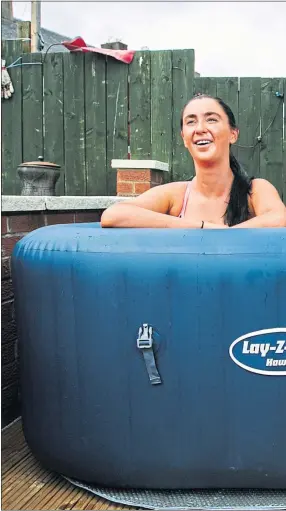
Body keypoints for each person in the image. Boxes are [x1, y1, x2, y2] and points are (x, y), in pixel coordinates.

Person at [101, 94, 286, 229]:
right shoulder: (176, 196)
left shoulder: (255, 190)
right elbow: (113, 215)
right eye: (191, 122)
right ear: (184, 138)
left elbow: (280, 218)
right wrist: (201, 227)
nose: (200, 128)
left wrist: (223, 234)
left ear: (233, 134)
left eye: (211, 119)